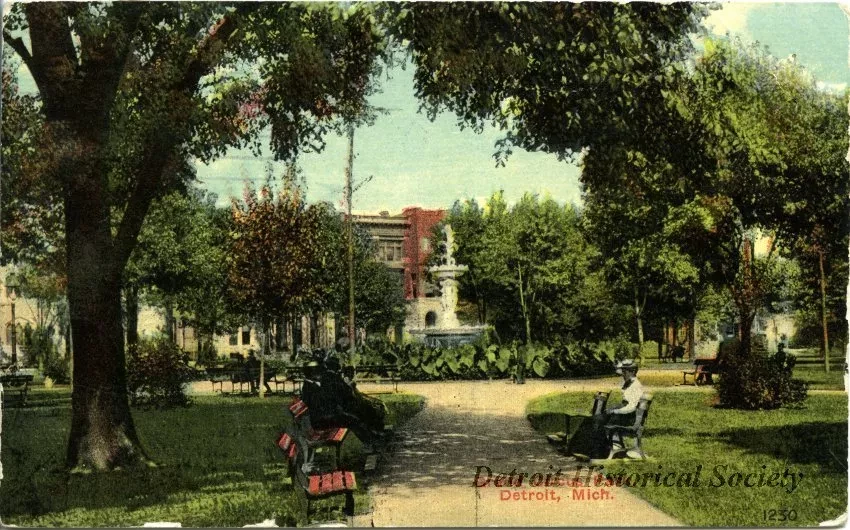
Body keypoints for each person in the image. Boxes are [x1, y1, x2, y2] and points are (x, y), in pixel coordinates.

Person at [567, 359, 644, 460]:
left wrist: (615, 411)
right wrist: (614, 408)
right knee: (590, 420)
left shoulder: (636, 386)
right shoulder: (630, 384)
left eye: (625, 371)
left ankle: (594, 452)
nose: (623, 374)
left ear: (633, 372)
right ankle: (575, 449)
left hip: (628, 418)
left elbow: (631, 407)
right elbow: (625, 403)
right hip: (622, 415)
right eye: (623, 371)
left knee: (596, 421)